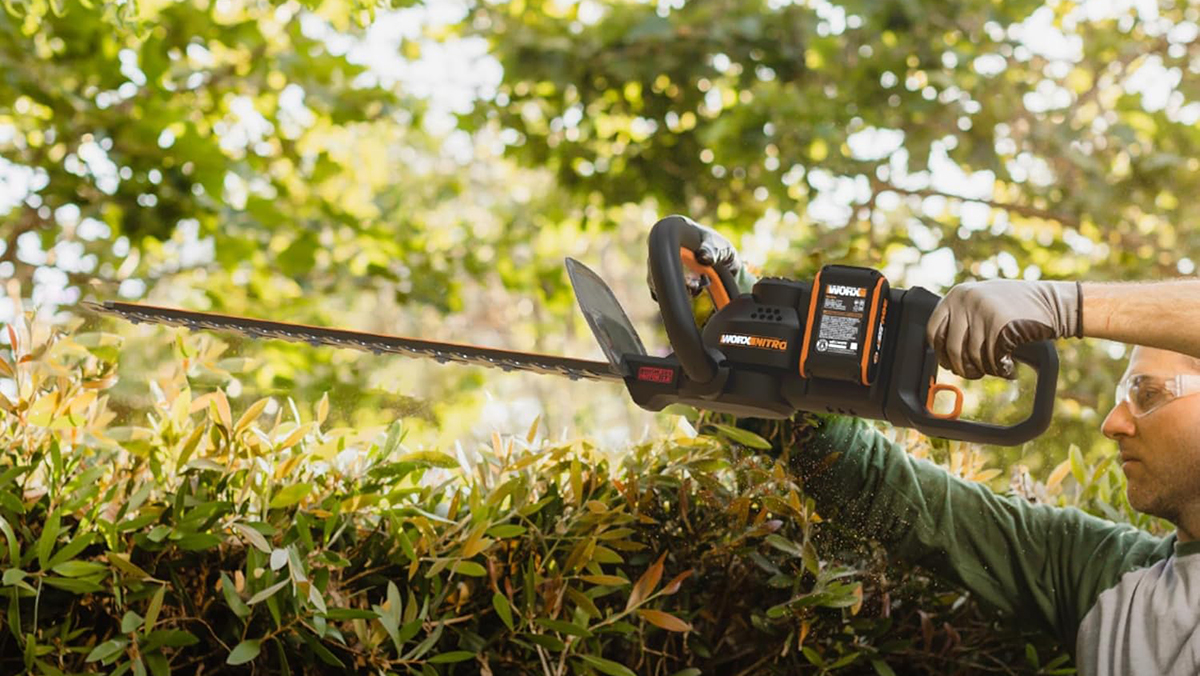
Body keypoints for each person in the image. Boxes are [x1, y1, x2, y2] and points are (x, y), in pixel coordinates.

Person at [669, 222, 1200, 675]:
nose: (1113, 423)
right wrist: (759, 349)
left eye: (1147, 393)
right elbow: (888, 492)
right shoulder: (1107, 577)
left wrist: (1063, 304)